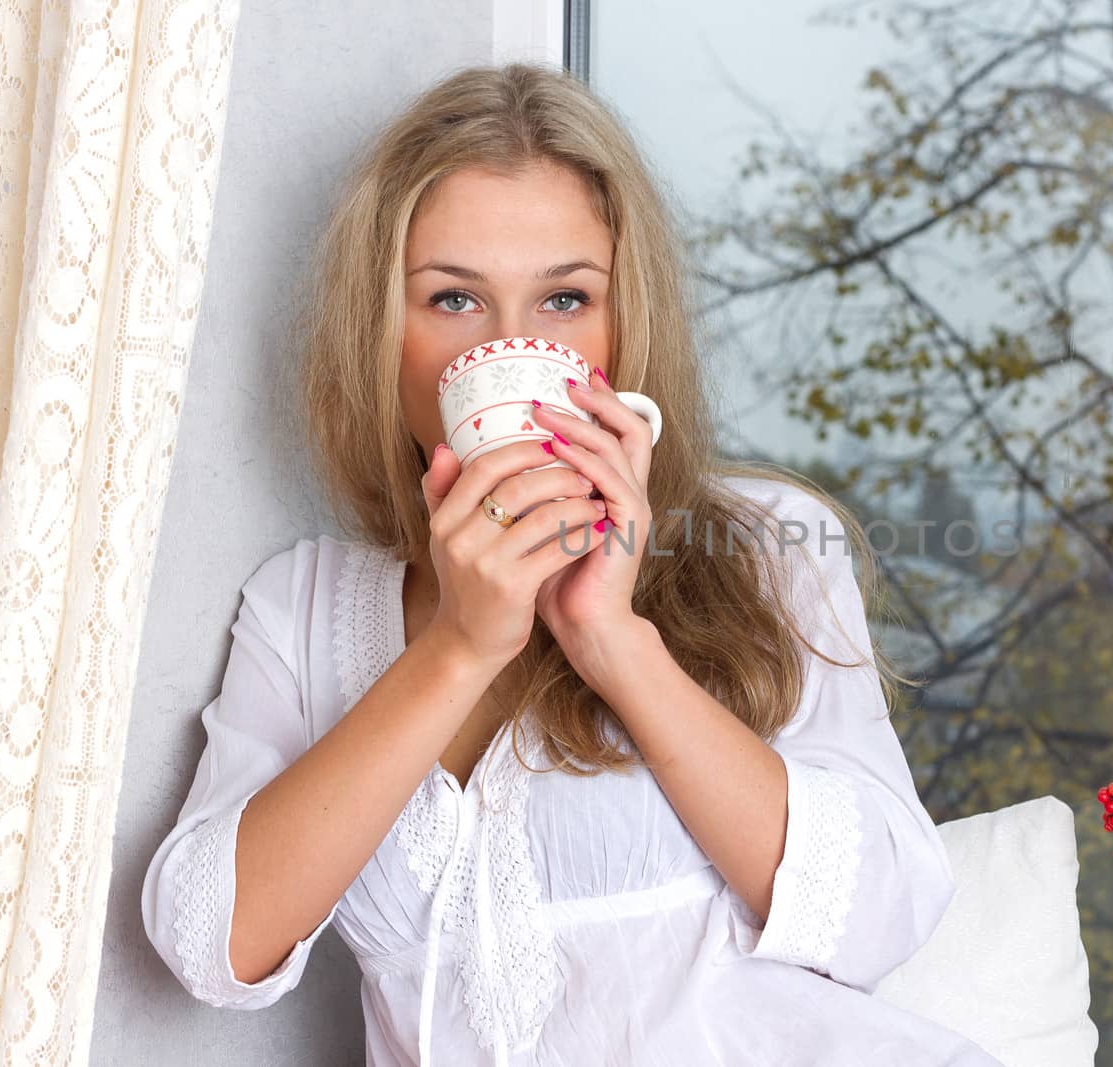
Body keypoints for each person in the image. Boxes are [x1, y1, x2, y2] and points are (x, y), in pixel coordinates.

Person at [139, 62, 1004, 1067]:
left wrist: (614, 639)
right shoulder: (304, 605)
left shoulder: (766, 541)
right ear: (384, 330)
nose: (513, 346)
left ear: (621, 325)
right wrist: (457, 647)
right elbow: (208, 944)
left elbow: (882, 914)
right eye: (454, 298)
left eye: (563, 298)